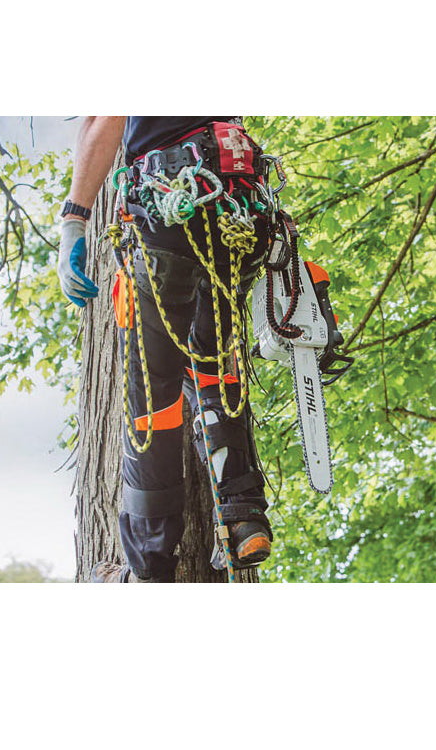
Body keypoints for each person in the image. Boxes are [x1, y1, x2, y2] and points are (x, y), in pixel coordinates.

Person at [57, 116, 274, 582]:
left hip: (173, 211)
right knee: (210, 365)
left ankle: (150, 565)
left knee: (152, 397)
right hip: (239, 207)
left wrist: (74, 218)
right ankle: (243, 516)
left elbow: (104, 120)